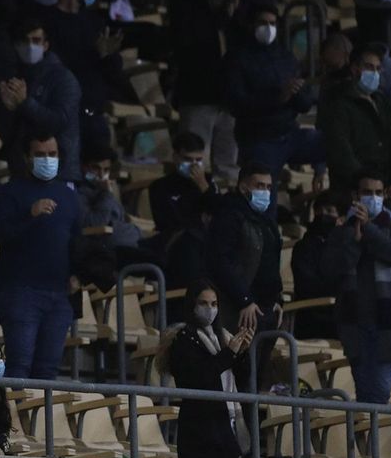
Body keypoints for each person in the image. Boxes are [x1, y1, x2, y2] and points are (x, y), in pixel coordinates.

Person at [0, 134, 83, 379]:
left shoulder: (69, 196)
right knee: (19, 366)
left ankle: (42, 418)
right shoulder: (10, 192)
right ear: (28, 157)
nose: (47, 160)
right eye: (40, 155)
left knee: (48, 371)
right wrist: (29, 215)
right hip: (20, 291)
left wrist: (77, 274)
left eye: (52, 154)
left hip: (60, 295)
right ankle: (16, 416)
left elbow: (78, 241)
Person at [320, 172, 391, 404]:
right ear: (356, 196)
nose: (373, 197)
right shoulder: (342, 232)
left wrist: (369, 230)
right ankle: (370, 438)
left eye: (378, 193)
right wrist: (354, 241)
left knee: (380, 391)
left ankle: (373, 437)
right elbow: (331, 270)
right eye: (367, 192)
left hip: (387, 323)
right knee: (364, 391)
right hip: (354, 322)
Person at [224, 4, 324, 182]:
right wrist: (278, 98)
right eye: (263, 22)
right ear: (251, 25)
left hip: (290, 132)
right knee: (264, 191)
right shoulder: (237, 59)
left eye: (272, 23)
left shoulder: (285, 56)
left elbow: (305, 104)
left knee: (332, 143)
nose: (268, 28)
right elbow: (237, 104)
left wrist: (297, 93)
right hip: (258, 138)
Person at [171, 0, 241, 181]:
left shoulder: (236, 5)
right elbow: (190, 42)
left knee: (228, 166)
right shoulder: (187, 2)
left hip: (228, 100)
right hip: (198, 96)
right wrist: (223, 15)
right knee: (192, 162)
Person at [40, 0, 126, 152]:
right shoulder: (47, 22)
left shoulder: (94, 23)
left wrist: (107, 55)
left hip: (93, 117)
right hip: (61, 118)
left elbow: (114, 71)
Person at [165, 280, 251, 458]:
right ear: (192, 305)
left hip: (225, 425)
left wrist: (242, 353)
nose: (210, 309)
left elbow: (242, 380)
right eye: (203, 303)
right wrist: (229, 353)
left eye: (214, 304)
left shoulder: (223, 337)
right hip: (200, 430)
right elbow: (199, 377)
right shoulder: (183, 340)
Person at [318, 41, 391, 207]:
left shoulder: (384, 104)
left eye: (377, 68)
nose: (374, 72)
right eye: (369, 67)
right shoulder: (337, 104)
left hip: (387, 193)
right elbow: (341, 151)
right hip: (353, 193)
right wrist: (367, 183)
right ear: (354, 69)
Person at [0, 18, 82, 181]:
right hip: (23, 172)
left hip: (59, 174)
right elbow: (7, 135)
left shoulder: (63, 78)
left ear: (46, 45)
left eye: (36, 40)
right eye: (25, 41)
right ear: (16, 45)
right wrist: (8, 110)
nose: (30, 46)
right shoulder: (14, 79)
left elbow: (59, 121)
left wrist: (25, 103)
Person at [205, 163, 282, 338]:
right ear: (243, 187)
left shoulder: (267, 221)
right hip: (240, 307)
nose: (265, 191)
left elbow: (271, 261)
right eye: (259, 186)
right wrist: (244, 299)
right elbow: (221, 261)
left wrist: (277, 299)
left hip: (266, 307)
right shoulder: (229, 216)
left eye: (268, 187)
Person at [320, 32, 391, 151]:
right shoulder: (331, 80)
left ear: (348, 56)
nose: (332, 72)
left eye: (336, 66)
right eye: (328, 66)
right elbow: (323, 121)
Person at [77, 145, 144, 285]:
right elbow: (95, 224)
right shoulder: (79, 194)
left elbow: (120, 220)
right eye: (95, 168)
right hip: (103, 254)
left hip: (124, 247)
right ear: (84, 167)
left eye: (106, 170)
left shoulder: (106, 192)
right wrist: (106, 194)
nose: (102, 175)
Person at [289, 193, 344, 341]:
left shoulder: (345, 248)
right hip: (314, 316)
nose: (323, 215)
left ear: (340, 219)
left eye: (330, 211)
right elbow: (306, 286)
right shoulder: (304, 247)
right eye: (320, 211)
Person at [147, 131, 217, 242]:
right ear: (175, 157)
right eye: (188, 159)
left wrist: (203, 185)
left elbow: (218, 212)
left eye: (198, 160)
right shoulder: (160, 186)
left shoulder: (207, 181)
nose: (194, 164)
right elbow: (166, 223)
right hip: (176, 242)